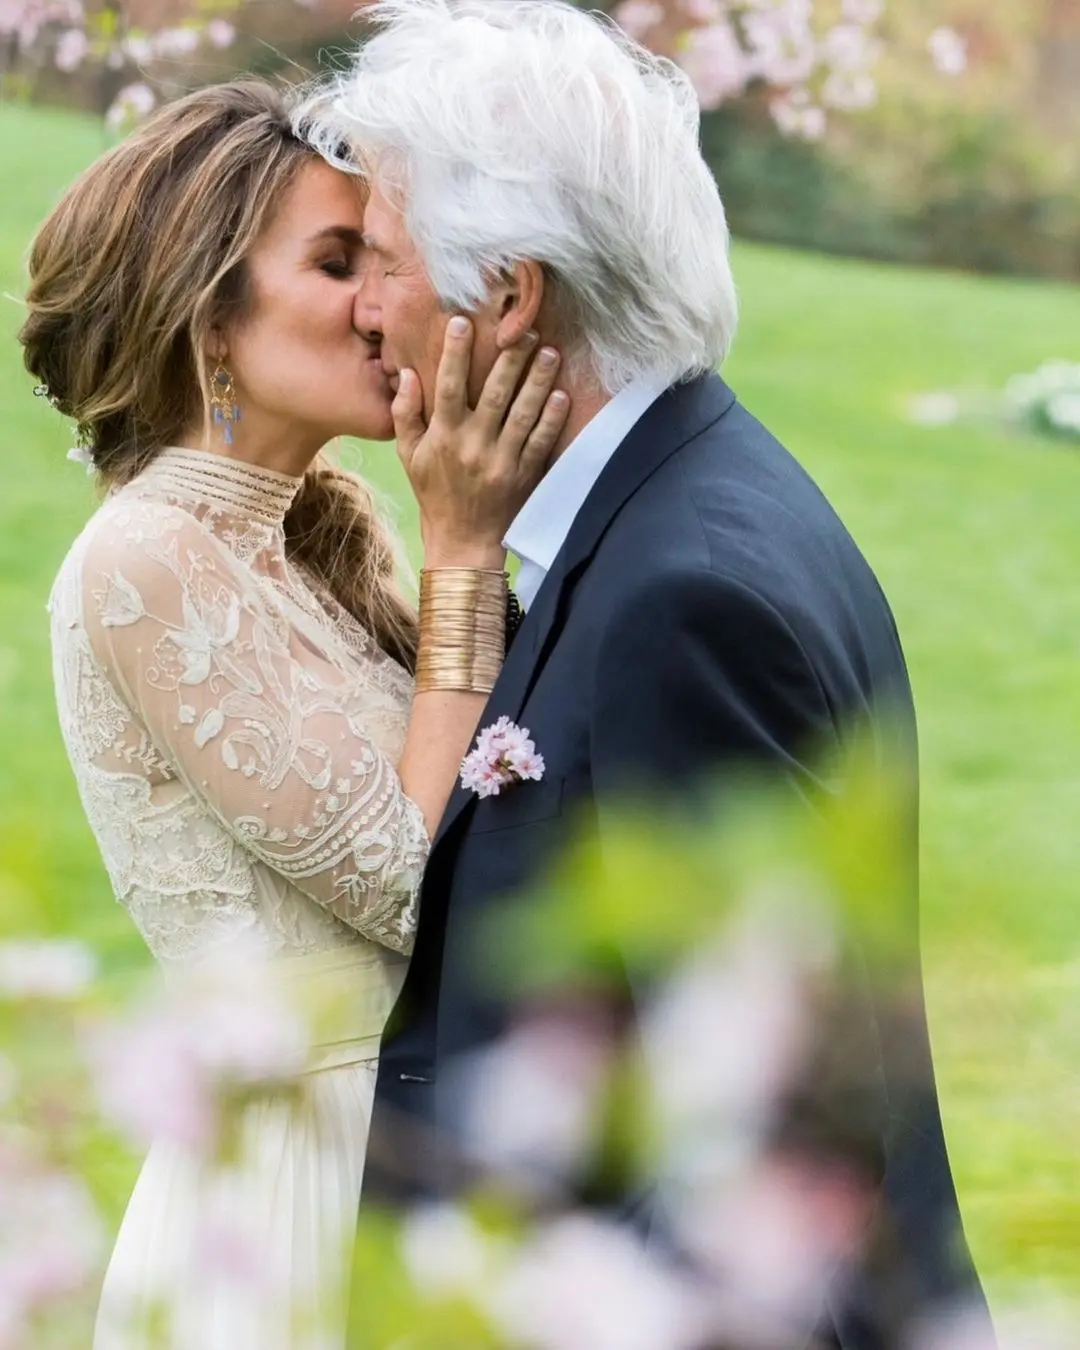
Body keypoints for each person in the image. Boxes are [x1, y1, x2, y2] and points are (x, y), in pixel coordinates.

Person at [297, 1, 992, 1345]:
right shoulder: (678, 504)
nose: (363, 309)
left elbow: (757, 1144)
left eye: (374, 257)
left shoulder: (688, 595)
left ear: (506, 296)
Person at [19, 79, 568, 1350]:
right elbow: (399, 878)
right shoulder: (142, 564)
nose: (384, 307)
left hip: (412, 1154)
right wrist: (465, 554)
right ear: (210, 314)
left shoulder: (313, 543)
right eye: (339, 263)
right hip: (295, 1196)